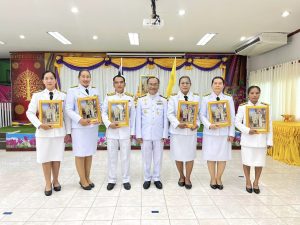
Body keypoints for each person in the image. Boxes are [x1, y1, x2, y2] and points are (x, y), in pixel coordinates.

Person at [26, 71, 71, 196]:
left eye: (51, 78)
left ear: (56, 80)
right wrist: (39, 124)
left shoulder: (63, 96)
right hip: (43, 133)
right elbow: (29, 113)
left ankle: (56, 181)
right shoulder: (37, 96)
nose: (49, 80)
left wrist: (68, 132)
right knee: (45, 158)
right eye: (46, 78)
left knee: (57, 158)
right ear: (43, 81)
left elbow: (66, 116)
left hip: (58, 132)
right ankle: (47, 183)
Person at [65, 69, 100, 190]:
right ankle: (82, 179)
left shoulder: (95, 90)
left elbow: (97, 107)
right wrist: (80, 119)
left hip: (92, 127)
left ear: (90, 78)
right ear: (79, 78)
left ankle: (87, 177)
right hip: (79, 127)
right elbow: (68, 109)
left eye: (88, 77)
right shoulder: (72, 91)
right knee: (80, 153)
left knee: (89, 153)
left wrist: (98, 117)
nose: (85, 79)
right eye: (83, 76)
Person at [235, 86, 273, 194]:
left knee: (259, 162)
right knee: (246, 161)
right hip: (248, 140)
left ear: (260, 94)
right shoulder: (243, 107)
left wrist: (269, 141)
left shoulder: (265, 107)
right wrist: (247, 130)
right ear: (248, 94)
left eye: (257, 93)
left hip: (261, 140)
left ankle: (256, 182)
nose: (254, 95)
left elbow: (270, 124)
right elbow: (237, 122)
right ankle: (248, 181)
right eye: (252, 93)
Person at [200, 76, 235, 190]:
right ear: (212, 85)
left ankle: (219, 178)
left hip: (224, 133)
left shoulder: (228, 99)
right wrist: (209, 125)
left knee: (222, 157)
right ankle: (212, 178)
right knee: (211, 156)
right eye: (215, 83)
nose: (217, 85)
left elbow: (232, 117)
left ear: (223, 85)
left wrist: (231, 133)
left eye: (220, 83)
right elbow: (202, 115)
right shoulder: (206, 99)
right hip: (210, 133)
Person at [102, 75, 135, 191]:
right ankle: (112, 179)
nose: (119, 84)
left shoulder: (130, 98)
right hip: (112, 131)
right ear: (113, 85)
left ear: (124, 84)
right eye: (116, 82)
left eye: (121, 82)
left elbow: (133, 116)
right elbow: (103, 112)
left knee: (125, 157)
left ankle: (126, 179)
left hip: (125, 132)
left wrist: (132, 132)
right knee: (112, 157)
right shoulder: (108, 97)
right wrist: (108, 123)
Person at [167, 76, 200, 189]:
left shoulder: (196, 98)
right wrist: (177, 123)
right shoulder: (173, 98)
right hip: (177, 132)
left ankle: (188, 178)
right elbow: (170, 114)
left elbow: (199, 115)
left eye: (187, 83)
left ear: (190, 84)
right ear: (179, 85)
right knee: (179, 155)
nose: (185, 85)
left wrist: (197, 124)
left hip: (190, 132)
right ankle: (181, 176)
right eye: (182, 83)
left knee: (190, 156)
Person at [136, 77, 168, 189]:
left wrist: (165, 134)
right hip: (145, 135)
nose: (153, 86)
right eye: (150, 84)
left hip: (159, 135)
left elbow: (165, 119)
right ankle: (147, 178)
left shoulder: (164, 100)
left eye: (155, 84)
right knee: (146, 158)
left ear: (158, 85)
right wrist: (138, 135)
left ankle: (157, 178)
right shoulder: (141, 100)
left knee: (158, 157)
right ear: (147, 85)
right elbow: (138, 119)